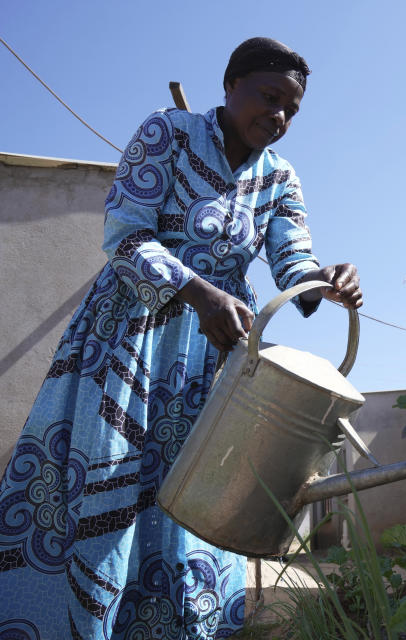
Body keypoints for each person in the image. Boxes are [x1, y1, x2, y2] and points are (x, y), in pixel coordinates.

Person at [0, 37, 361, 638]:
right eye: (269, 98)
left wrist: (325, 281)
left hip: (213, 360)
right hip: (131, 338)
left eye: (291, 110)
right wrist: (200, 292)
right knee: (110, 478)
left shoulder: (280, 178)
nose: (278, 117)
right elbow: (126, 235)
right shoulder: (167, 134)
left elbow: (292, 258)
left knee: (199, 493)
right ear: (230, 86)